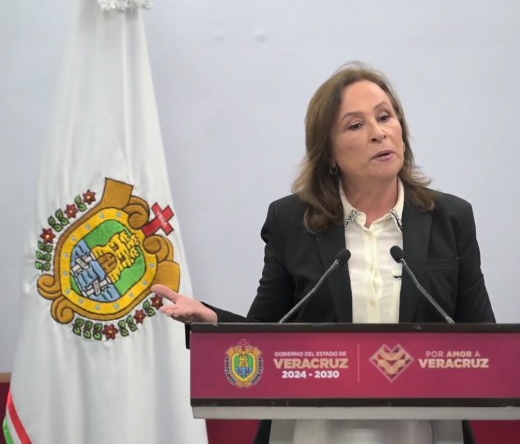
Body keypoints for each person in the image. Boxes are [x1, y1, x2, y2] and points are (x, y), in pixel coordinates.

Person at [153, 62, 495, 444]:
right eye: (355, 125)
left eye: (385, 116)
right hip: (316, 429)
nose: (378, 133)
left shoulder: (450, 218)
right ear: (329, 153)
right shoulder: (292, 221)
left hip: (422, 429)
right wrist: (214, 322)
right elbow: (268, 331)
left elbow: (484, 338)